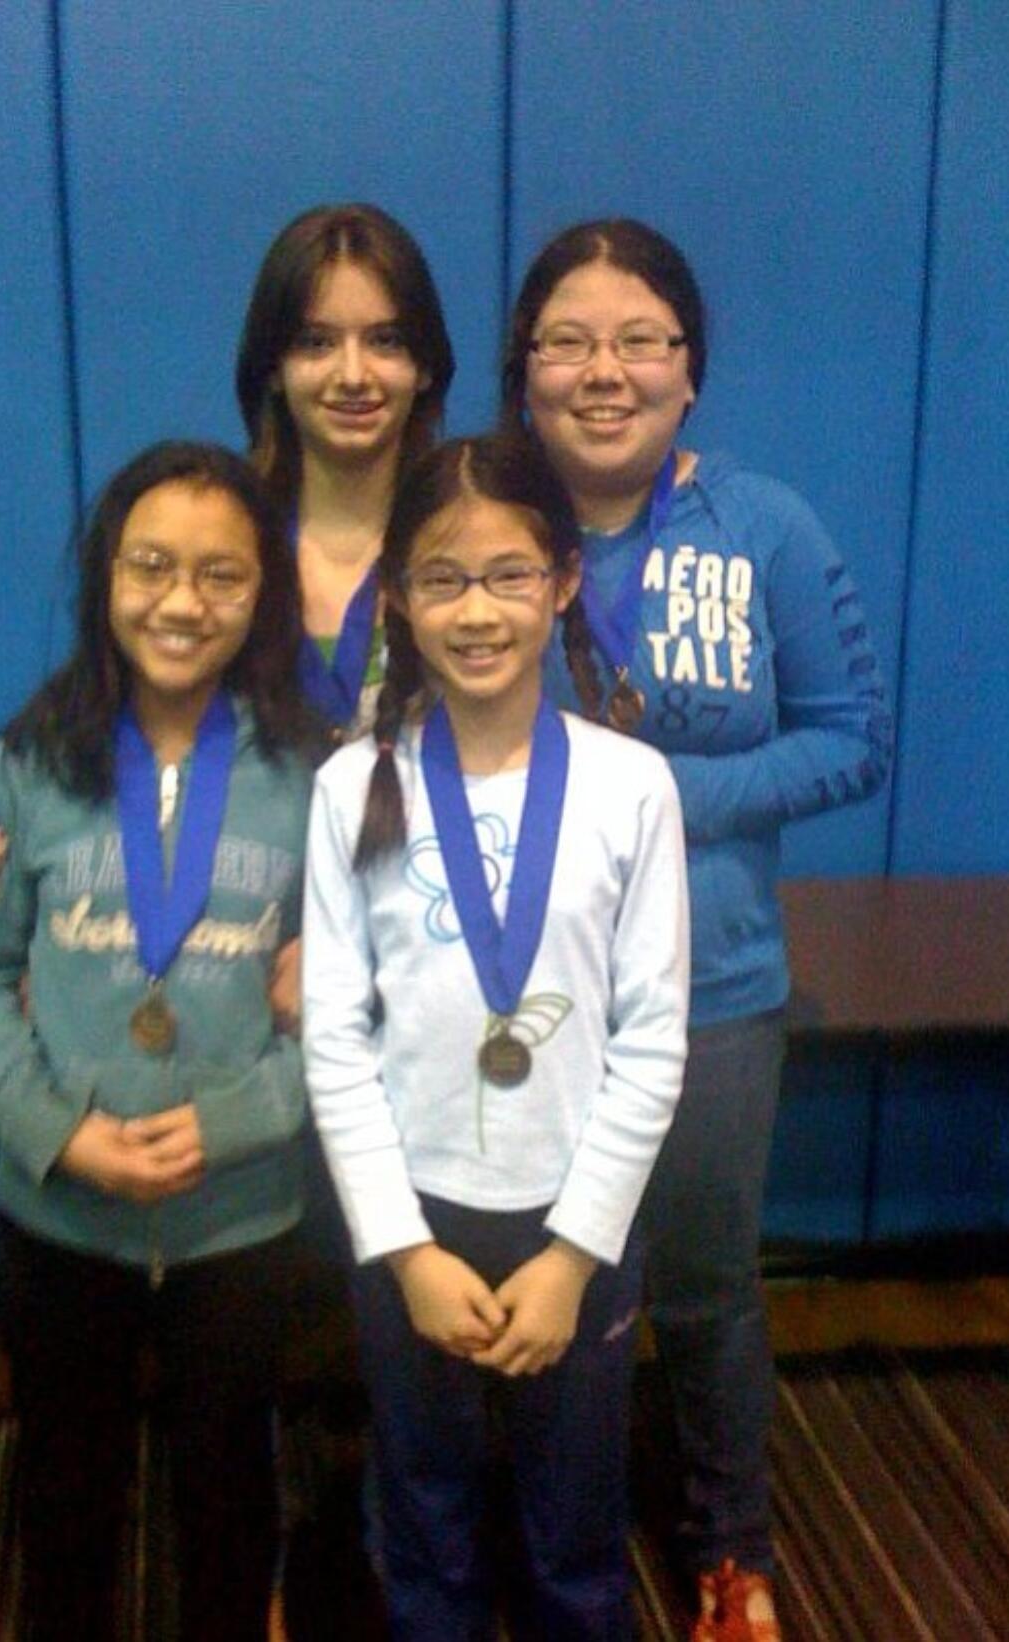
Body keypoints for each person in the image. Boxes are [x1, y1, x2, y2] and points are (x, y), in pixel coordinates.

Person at [501, 218, 892, 1641]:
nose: (603, 371)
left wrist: (668, 790)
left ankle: (729, 1543)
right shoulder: (480, 519)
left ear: (687, 370)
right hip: (514, 996)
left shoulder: (765, 527)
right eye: (567, 340)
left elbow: (851, 742)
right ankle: (554, 1533)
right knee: (546, 1280)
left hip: (711, 988)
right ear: (523, 368)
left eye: (639, 339)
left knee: (710, 1284)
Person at [301, 433, 690, 1639]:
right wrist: (404, 1253)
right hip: (412, 1218)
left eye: (509, 575)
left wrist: (574, 1255)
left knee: (574, 1528)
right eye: (441, 579)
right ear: (399, 599)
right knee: (424, 1515)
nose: (476, 611)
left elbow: (651, 1038)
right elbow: (333, 1040)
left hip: (575, 1221)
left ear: (563, 582)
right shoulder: (350, 784)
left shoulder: (633, 786)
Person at [0, 440, 315, 1642]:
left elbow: (359, 1013)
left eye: (221, 575)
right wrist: (56, 1134)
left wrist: (240, 1116)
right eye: (150, 565)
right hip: (59, 1217)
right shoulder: (27, 764)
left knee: (227, 1494)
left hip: (238, 1217)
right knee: (64, 1492)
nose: (181, 601)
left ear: (262, 596)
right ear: (106, 578)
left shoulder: (314, 774)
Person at [0, 203, 454, 912]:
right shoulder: (213, 546)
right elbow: (98, 718)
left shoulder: (469, 549)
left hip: (431, 932)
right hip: (242, 957)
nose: (353, 374)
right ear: (272, 366)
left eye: (386, 340)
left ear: (426, 365)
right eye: (316, 343)